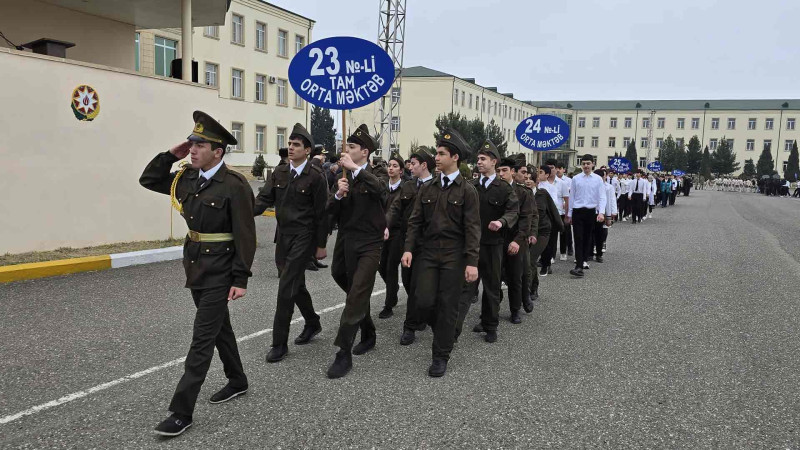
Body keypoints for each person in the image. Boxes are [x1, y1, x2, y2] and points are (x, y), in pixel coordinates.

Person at [140, 111, 256, 437]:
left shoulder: (234, 186)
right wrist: (170, 155)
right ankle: (238, 380)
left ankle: (181, 412)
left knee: (201, 340)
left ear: (218, 152)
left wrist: (240, 278)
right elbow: (148, 180)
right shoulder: (187, 178)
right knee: (219, 330)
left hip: (221, 270)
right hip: (195, 266)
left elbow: (246, 235)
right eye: (191, 143)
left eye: (199, 145)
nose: (192, 149)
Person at [401, 129, 480, 377]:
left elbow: (473, 229)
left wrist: (472, 262)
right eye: (436, 153)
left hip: (454, 256)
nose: (436, 157)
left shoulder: (467, 191)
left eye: (441, 153)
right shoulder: (428, 188)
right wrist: (408, 249)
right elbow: (415, 221)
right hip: (428, 252)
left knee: (447, 306)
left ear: (455, 157)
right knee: (422, 300)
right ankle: (444, 330)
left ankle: (440, 355)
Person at [254, 123, 329, 363]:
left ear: (307, 150)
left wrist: (321, 245)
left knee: (286, 287)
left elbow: (322, 214)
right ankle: (313, 322)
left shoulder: (316, 176)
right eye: (289, 143)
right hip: (283, 237)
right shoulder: (280, 172)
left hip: (304, 237)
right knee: (296, 285)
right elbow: (263, 199)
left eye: (296, 145)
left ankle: (279, 344)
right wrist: (241, 212)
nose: (291, 147)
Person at [326, 124, 389, 379]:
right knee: (341, 277)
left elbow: (382, 192)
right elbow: (329, 211)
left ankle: (343, 353)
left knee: (356, 294)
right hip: (347, 239)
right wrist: (338, 195)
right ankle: (368, 329)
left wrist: (356, 170)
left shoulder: (377, 173)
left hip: (370, 242)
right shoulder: (343, 177)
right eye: (346, 147)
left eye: (351, 147)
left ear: (364, 152)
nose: (346, 151)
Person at [466, 140, 519, 343]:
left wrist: (501, 221)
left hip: (493, 244)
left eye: (483, 159)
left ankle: (490, 325)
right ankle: (453, 327)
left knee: (491, 287)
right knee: (465, 286)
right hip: (471, 245)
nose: (479, 162)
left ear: (494, 162)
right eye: (478, 159)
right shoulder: (471, 186)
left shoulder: (503, 188)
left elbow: (513, 211)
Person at [387, 148, 436, 345]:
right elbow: (395, 208)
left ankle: (410, 327)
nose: (410, 166)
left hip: (427, 244)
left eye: (413, 163)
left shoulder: (436, 186)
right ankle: (421, 312)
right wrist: (385, 225)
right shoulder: (408, 185)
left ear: (424, 165)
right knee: (407, 281)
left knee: (417, 284)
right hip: (407, 241)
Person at [497, 157, 535, 324]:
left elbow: (526, 219)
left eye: (504, 170)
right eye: (499, 171)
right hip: (497, 240)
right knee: (494, 277)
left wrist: (518, 241)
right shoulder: (494, 190)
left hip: (515, 240)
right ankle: (491, 311)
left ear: (512, 172)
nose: (501, 174)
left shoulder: (523, 193)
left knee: (515, 277)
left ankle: (515, 310)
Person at [565, 154, 606, 278]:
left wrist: (601, 212)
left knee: (587, 238)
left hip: (591, 212)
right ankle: (578, 266)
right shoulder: (576, 178)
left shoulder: (598, 179)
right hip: (577, 212)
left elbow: (602, 196)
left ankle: (583, 260)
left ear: (593, 164)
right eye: (583, 164)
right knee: (578, 238)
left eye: (588, 163)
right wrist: (569, 214)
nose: (586, 166)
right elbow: (572, 197)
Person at [377, 153, 408, 319]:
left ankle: (389, 304)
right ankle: (393, 287)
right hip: (382, 231)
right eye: (389, 165)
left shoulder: (405, 188)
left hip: (397, 232)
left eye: (395, 166)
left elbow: (397, 210)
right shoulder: (383, 185)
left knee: (390, 266)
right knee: (381, 265)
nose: (391, 168)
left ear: (401, 171)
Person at [530, 165, 563, 301]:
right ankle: (531, 285)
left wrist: (560, 226)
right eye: (525, 178)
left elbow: (553, 210)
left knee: (530, 259)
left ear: (536, 180)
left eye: (530, 178)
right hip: (526, 231)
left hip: (542, 230)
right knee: (527, 261)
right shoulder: (520, 194)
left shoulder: (543, 193)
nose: (527, 181)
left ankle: (531, 289)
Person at [556, 162, 573, 260]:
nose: (558, 170)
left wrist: (566, 205)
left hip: (565, 208)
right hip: (556, 209)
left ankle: (568, 248)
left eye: (560, 168)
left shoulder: (568, 181)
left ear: (564, 169)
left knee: (566, 231)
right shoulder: (551, 180)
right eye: (556, 168)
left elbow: (570, 195)